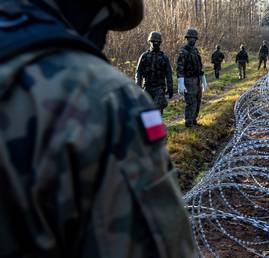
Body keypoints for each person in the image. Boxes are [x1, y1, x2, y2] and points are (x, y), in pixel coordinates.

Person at [0, 0, 199, 257]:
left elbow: (170, 72)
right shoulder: (103, 97)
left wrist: (173, 86)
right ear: (92, 16)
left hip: (159, 90)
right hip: (146, 91)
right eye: (105, 28)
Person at [176, 28, 208, 128]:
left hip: (197, 79)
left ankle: (194, 120)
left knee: (198, 101)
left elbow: (199, 66)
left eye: (194, 38)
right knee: (191, 102)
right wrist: (180, 83)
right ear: (187, 38)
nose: (193, 40)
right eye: (191, 38)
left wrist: (203, 80)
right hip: (189, 80)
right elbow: (179, 68)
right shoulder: (183, 52)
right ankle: (189, 123)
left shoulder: (195, 50)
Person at [135, 31, 174, 114]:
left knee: (157, 110)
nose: (155, 43)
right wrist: (138, 86)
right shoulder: (144, 56)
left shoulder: (164, 57)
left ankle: (157, 126)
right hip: (147, 87)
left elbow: (168, 73)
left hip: (159, 88)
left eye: (157, 41)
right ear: (150, 42)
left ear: (160, 42)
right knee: (146, 111)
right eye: (153, 41)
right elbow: (138, 72)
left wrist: (170, 88)